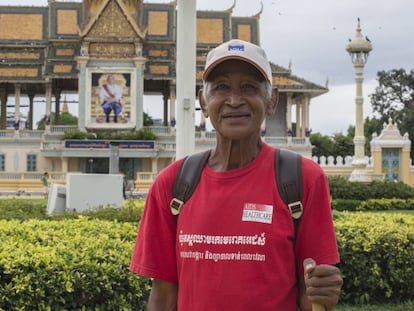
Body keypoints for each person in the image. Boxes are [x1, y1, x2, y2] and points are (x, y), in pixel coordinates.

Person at [130, 39, 343, 310]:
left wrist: (322, 292)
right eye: (221, 88)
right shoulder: (173, 185)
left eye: (249, 88)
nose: (234, 100)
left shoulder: (302, 179)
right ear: (203, 102)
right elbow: (163, 295)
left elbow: (308, 291)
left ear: (271, 99)